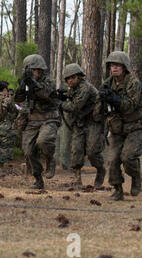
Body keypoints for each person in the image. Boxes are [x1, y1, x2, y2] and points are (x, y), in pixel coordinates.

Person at [99, 51, 142, 201]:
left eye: (118, 65)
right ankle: (117, 189)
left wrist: (115, 99)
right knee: (113, 160)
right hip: (117, 128)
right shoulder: (107, 83)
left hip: (136, 126)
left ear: (124, 67)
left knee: (128, 157)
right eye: (112, 65)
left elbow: (130, 106)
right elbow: (101, 108)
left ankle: (136, 176)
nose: (114, 68)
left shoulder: (133, 83)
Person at [14, 54, 60, 189]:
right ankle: (38, 179)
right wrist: (23, 84)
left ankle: (50, 159)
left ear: (40, 70)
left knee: (43, 141)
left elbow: (45, 94)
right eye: (29, 70)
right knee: (28, 151)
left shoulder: (48, 82)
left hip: (49, 118)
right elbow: (18, 98)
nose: (32, 73)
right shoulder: (26, 82)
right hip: (32, 120)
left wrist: (33, 84)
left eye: (33, 70)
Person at [58, 63, 106, 188]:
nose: (69, 81)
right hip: (80, 123)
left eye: (72, 78)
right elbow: (72, 100)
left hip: (93, 123)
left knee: (92, 152)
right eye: (67, 79)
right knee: (76, 150)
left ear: (79, 77)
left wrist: (60, 103)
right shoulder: (73, 89)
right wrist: (64, 96)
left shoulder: (85, 87)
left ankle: (101, 170)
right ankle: (77, 179)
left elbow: (75, 106)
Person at [0, 81, 18, 166]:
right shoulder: (7, 100)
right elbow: (14, 111)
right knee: (4, 147)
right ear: (4, 90)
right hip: (4, 127)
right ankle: (3, 165)